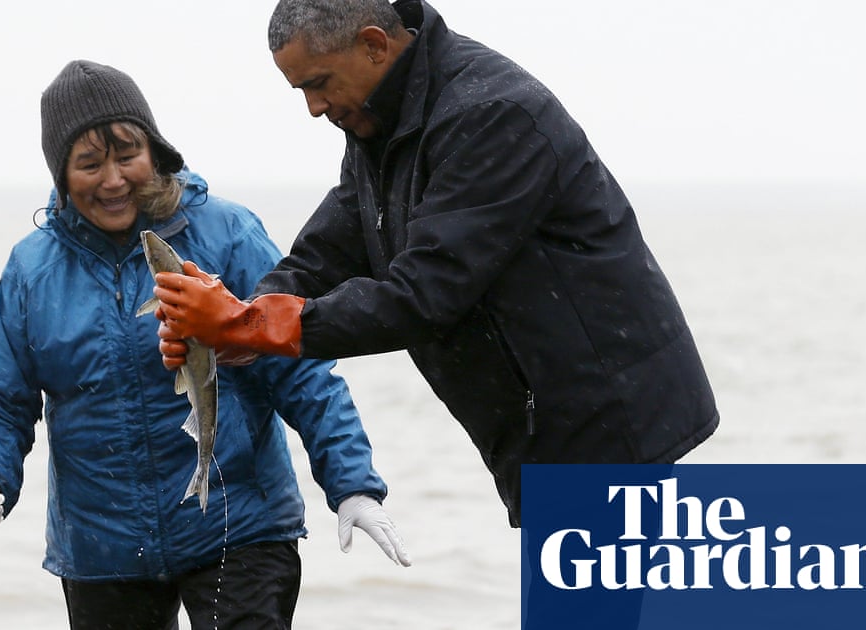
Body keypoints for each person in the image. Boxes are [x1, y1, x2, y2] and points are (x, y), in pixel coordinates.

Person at [152, 0, 720, 529]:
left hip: (606, 423)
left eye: (319, 84)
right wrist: (239, 315)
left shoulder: (492, 113)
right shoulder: (381, 118)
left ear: (374, 44)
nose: (314, 108)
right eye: (301, 90)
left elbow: (426, 293)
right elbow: (330, 249)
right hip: (537, 423)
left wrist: (255, 326)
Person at [0, 59, 409, 630]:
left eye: (128, 155)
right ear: (62, 176)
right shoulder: (32, 270)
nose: (114, 179)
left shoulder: (226, 233)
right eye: (89, 164)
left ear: (156, 151)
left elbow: (300, 370)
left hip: (237, 527)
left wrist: (352, 484)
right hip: (103, 548)